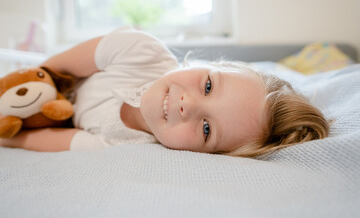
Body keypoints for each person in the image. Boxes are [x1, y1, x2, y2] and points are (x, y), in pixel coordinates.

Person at [0, 27, 329, 157]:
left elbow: (40, 140)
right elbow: (49, 70)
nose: (188, 104)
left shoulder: (124, 145)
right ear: (216, 63)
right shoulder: (137, 49)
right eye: (209, 86)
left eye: (206, 129)